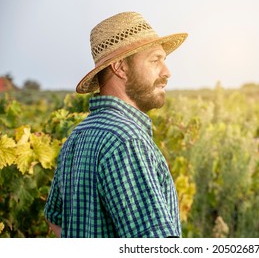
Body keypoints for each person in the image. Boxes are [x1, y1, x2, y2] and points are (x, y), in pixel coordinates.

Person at [44, 12, 188, 238]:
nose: (166, 72)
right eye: (154, 60)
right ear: (120, 67)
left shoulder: (77, 136)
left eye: (164, 60)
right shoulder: (127, 140)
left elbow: (55, 221)